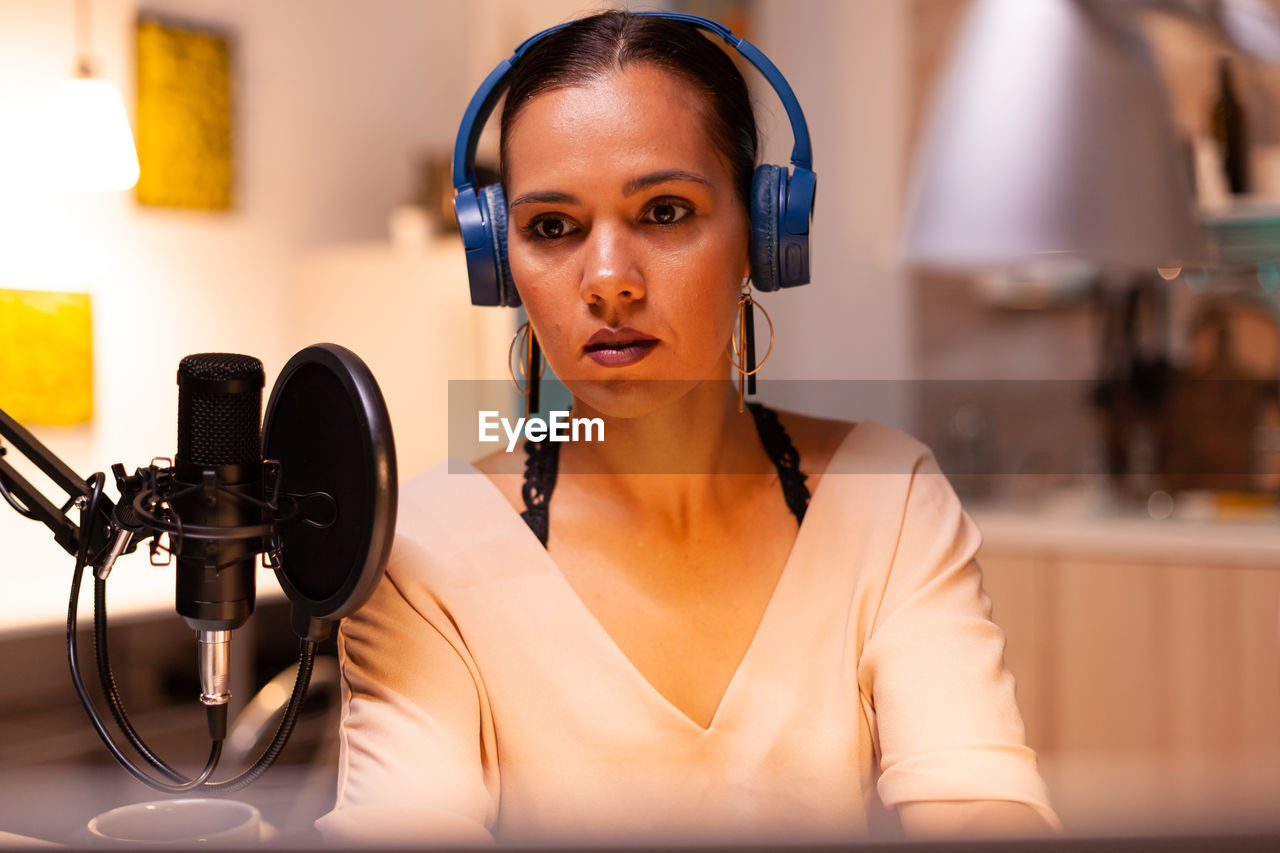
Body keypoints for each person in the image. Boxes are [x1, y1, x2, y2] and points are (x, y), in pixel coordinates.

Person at [316, 10, 1059, 845]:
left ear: (762, 234)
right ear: (500, 264)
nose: (607, 282)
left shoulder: (886, 496)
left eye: (665, 211)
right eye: (552, 227)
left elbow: (980, 804)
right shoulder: (422, 549)